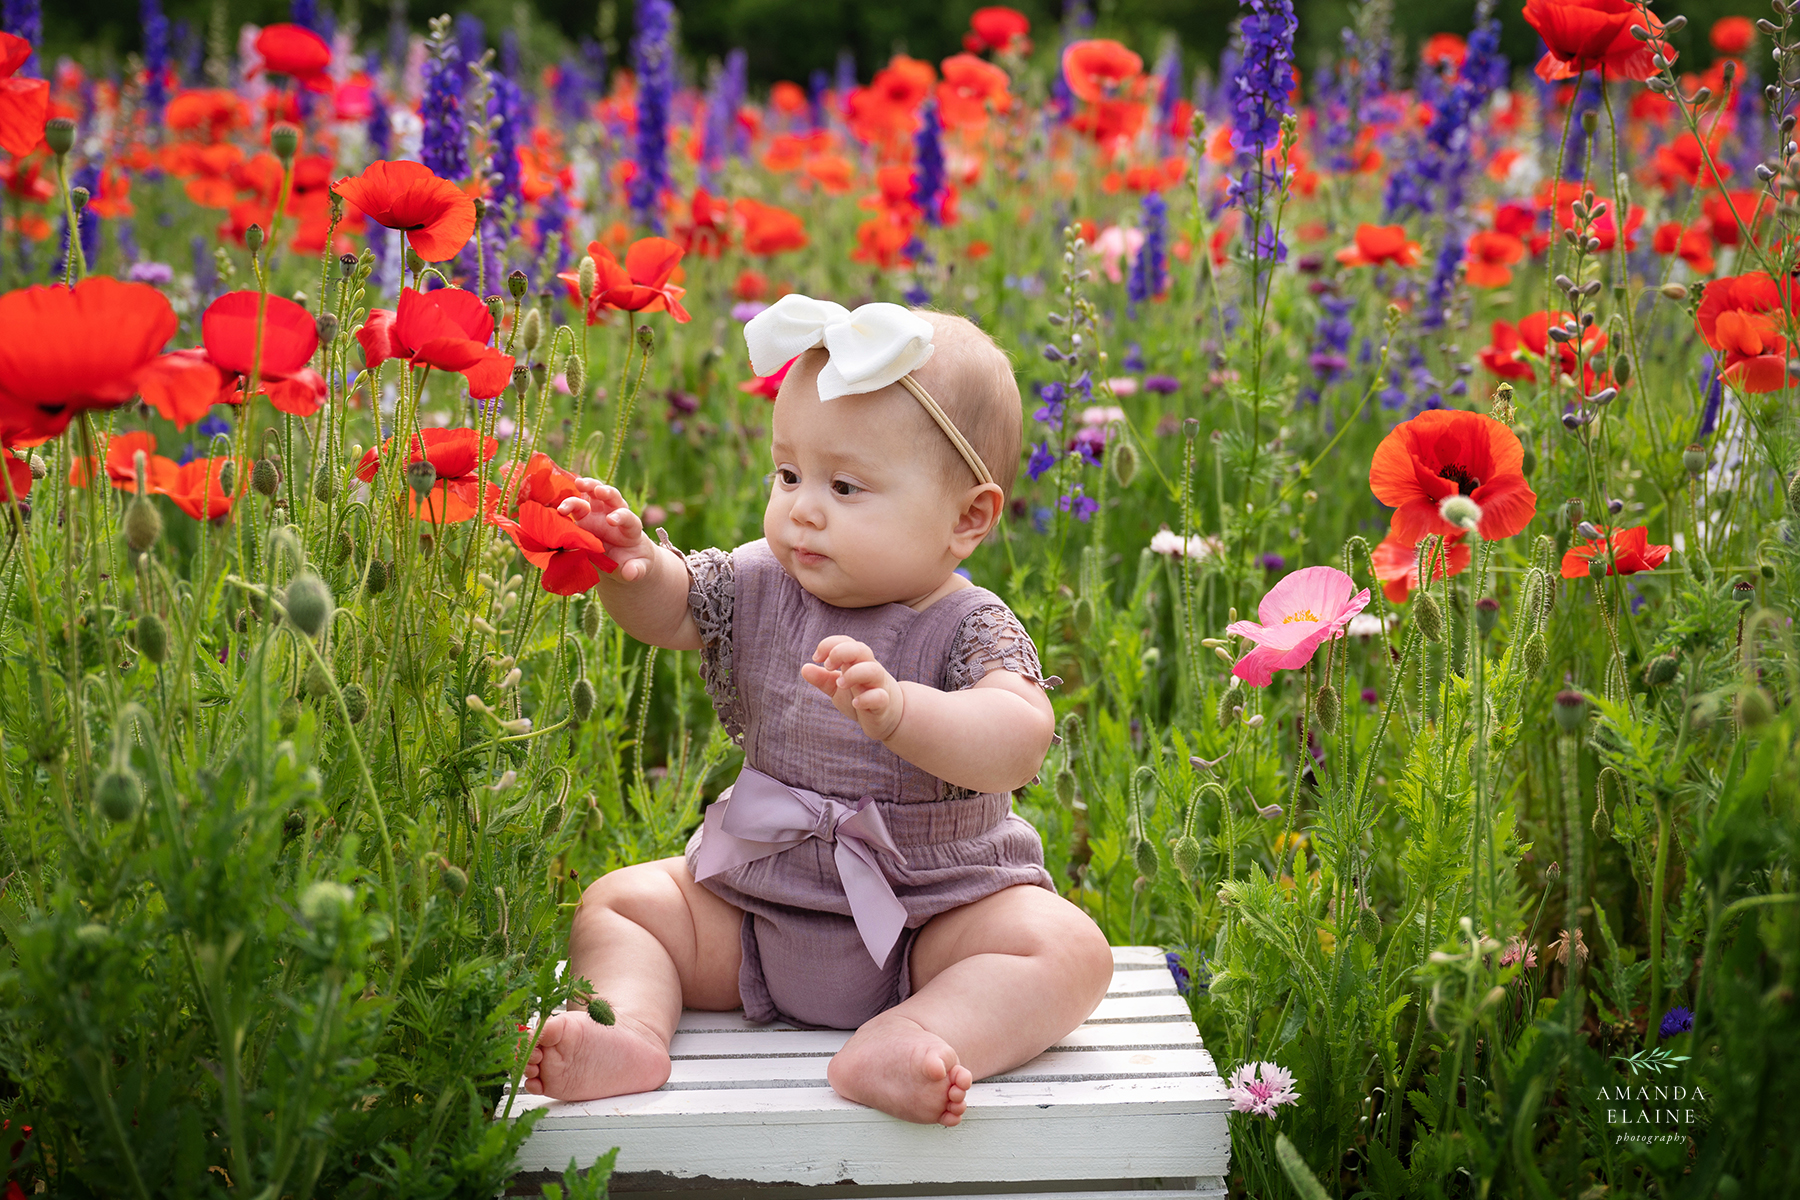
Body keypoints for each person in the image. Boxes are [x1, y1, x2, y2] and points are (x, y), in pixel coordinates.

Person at [522, 297, 1114, 1127]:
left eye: (845, 485)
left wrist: (905, 712)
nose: (803, 508)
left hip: (931, 920)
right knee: (622, 903)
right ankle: (625, 1027)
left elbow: (1018, 739)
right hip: (759, 904)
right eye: (788, 474)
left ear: (967, 518)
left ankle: (914, 1035)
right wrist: (635, 566)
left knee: (1067, 950)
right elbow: (677, 611)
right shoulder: (762, 577)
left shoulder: (970, 626)